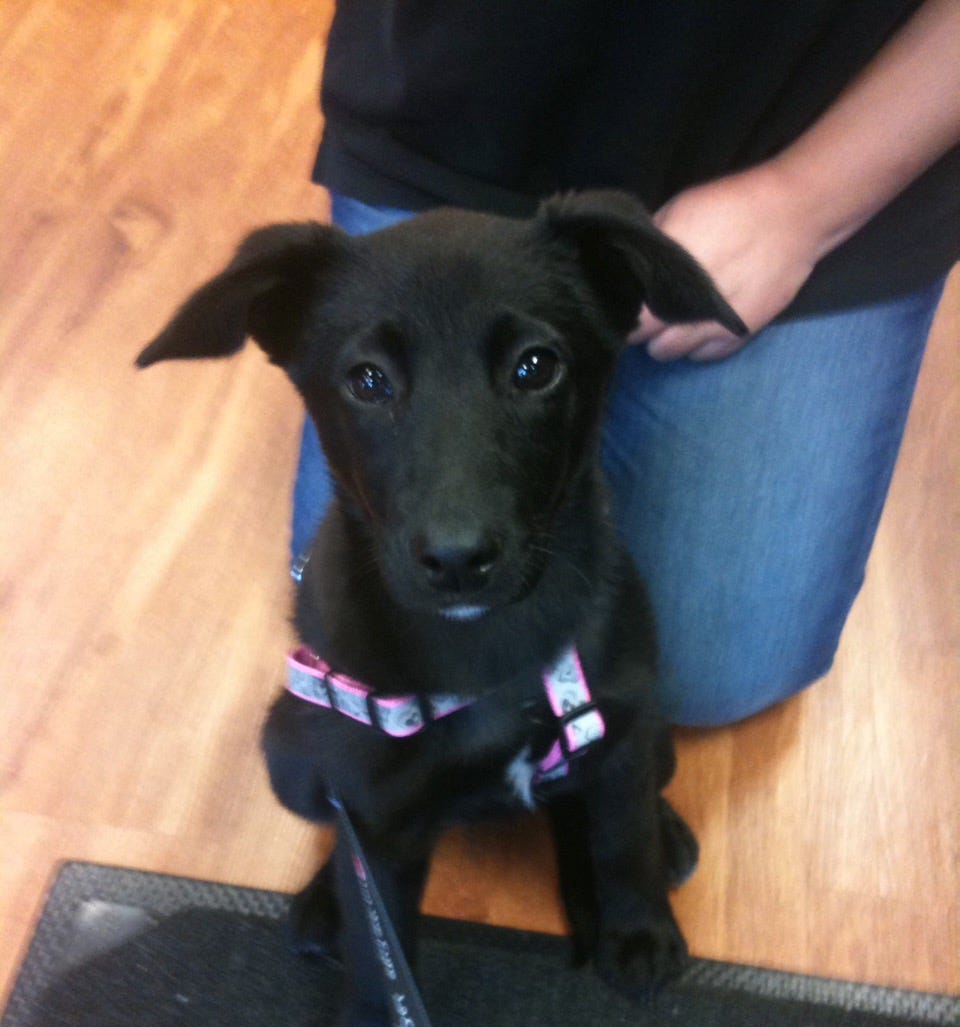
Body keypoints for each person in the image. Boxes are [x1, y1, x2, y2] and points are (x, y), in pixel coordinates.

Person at [292, 0, 960, 726]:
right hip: (455, 120)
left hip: (806, 116)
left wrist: (806, 203)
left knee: (710, 673)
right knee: (359, 613)